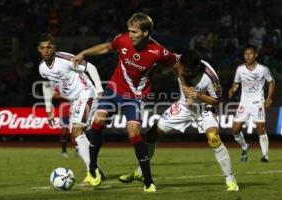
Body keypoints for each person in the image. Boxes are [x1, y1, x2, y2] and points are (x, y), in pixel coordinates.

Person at [72, 12, 177, 192]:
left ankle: (148, 181)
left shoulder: (158, 52)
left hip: (135, 97)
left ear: (145, 33)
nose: (130, 35)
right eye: (129, 31)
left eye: (134, 32)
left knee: (133, 132)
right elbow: (106, 47)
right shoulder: (122, 40)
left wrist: (165, 75)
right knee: (98, 120)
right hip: (113, 90)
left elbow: (174, 65)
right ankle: (93, 170)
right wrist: (84, 53)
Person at [119, 49, 239, 191]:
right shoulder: (179, 62)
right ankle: (140, 172)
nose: (183, 71)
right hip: (183, 106)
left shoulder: (210, 77)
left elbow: (217, 101)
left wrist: (197, 95)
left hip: (204, 108)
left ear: (196, 67)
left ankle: (230, 179)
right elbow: (163, 59)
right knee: (151, 135)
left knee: (213, 138)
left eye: (187, 70)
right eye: (182, 68)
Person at [38, 33, 105, 182]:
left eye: (49, 47)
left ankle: (93, 173)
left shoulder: (65, 59)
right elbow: (47, 86)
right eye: (43, 48)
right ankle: (95, 168)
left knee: (77, 131)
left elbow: (91, 67)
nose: (46, 50)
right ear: (39, 50)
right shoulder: (42, 68)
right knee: (74, 137)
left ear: (54, 47)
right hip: (75, 100)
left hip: (87, 93)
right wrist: (49, 111)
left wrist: (99, 89)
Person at [228, 44, 275, 162]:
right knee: (235, 130)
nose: (248, 56)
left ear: (256, 55)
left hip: (258, 102)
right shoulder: (240, 69)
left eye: (250, 54)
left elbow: (271, 82)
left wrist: (269, 97)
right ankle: (244, 146)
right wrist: (232, 89)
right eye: (246, 54)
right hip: (244, 103)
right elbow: (236, 83)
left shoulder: (263, 69)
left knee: (260, 128)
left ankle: (265, 155)